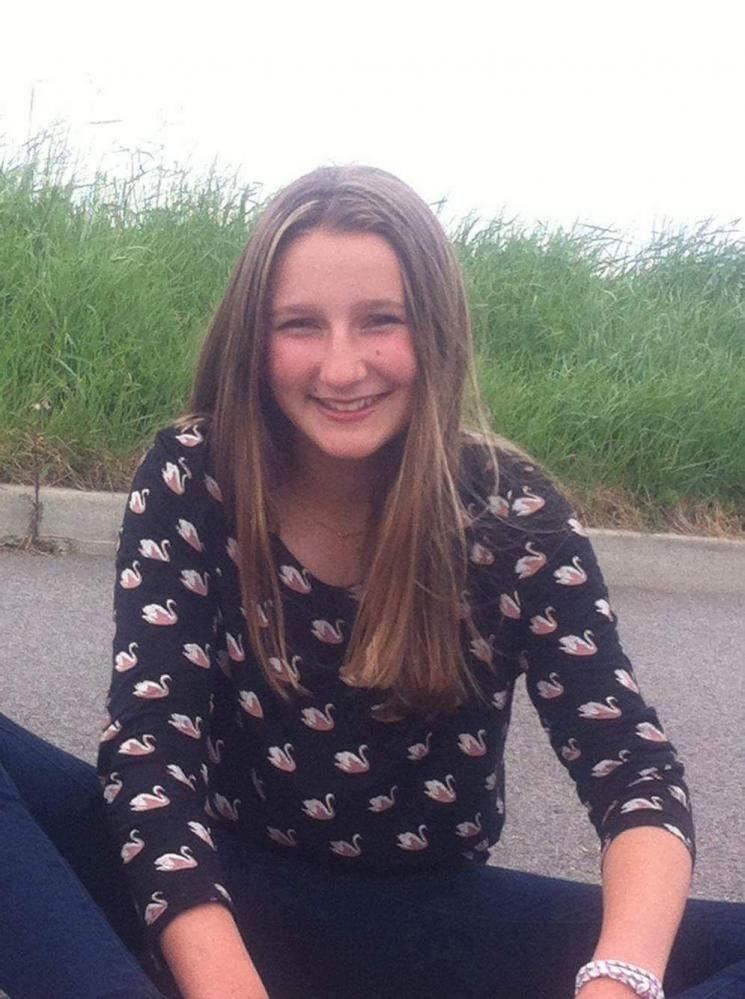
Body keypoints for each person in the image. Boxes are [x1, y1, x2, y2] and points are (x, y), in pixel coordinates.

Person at [1, 165, 744, 999]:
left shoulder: (510, 514)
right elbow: (151, 752)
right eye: (300, 325)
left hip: (430, 926)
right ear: (255, 340)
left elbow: (631, 769)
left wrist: (618, 982)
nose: (343, 366)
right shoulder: (195, 474)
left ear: (433, 329)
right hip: (213, 897)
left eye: (380, 321)